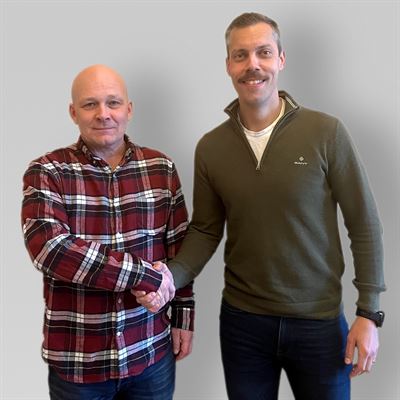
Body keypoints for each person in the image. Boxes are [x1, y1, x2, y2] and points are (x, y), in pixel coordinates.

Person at [134, 12, 386, 400]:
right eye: (241, 55)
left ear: (281, 59)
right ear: (228, 65)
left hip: (318, 324)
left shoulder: (326, 132)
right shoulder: (211, 147)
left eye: (263, 52)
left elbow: (364, 223)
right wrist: (169, 277)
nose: (252, 64)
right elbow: (205, 230)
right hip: (243, 325)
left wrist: (369, 313)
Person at [21, 64, 194, 400]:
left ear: (129, 109)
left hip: (150, 354)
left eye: (113, 103)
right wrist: (145, 276)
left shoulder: (161, 167)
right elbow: (50, 249)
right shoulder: (47, 171)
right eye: (90, 104)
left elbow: (179, 248)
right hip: (78, 364)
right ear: (73, 112)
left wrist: (184, 317)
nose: (103, 114)